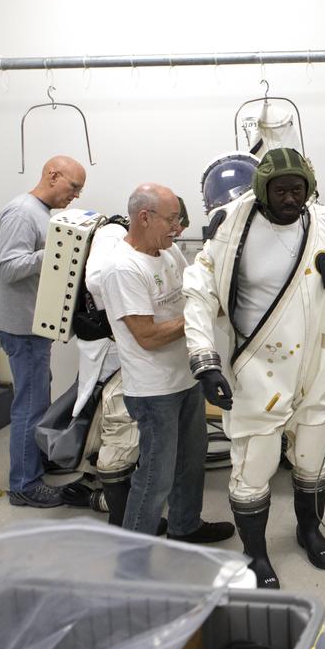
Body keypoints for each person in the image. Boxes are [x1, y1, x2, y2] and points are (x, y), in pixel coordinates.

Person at [183, 148, 325, 589]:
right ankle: (255, 555)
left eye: (298, 190)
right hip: (258, 370)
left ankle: (309, 531)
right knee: (254, 466)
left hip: (318, 367)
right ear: (262, 190)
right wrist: (205, 361)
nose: (291, 199)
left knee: (313, 457)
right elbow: (198, 294)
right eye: (281, 191)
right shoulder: (231, 224)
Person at [97, 183, 233, 543]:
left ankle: (185, 527)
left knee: (191, 463)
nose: (178, 227)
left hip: (185, 377)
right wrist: (198, 316)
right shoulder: (123, 269)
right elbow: (148, 335)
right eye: (172, 219)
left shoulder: (168, 253)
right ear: (145, 217)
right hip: (154, 390)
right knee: (156, 476)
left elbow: (192, 294)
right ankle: (133, 553)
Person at [0, 155, 85, 507]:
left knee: (37, 399)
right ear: (52, 174)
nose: (74, 195)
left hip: (32, 324)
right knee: (30, 406)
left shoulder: (40, 212)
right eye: (73, 186)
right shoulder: (21, 212)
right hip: (21, 327)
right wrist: (57, 252)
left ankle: (35, 464)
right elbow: (9, 268)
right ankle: (24, 485)